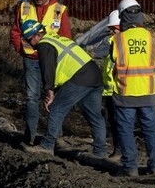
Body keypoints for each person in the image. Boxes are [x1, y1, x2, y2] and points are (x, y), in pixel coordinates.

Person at [20, 20, 106, 156]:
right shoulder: (56, 38)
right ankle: (100, 152)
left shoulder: (44, 45)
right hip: (94, 75)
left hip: (80, 77)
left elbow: (48, 71)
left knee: (56, 109)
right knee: (95, 116)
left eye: (28, 39)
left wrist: (50, 94)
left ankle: (47, 146)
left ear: (36, 35)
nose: (29, 43)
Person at [9, 0, 71, 146]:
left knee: (53, 99)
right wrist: (20, 48)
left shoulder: (60, 10)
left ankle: (56, 137)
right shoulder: (24, 7)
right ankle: (29, 136)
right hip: (31, 59)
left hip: (52, 62)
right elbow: (15, 31)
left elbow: (66, 37)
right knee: (31, 98)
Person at [109, 0, 155, 176]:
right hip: (147, 93)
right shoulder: (154, 38)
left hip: (125, 94)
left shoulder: (118, 40)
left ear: (123, 17)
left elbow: (112, 59)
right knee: (150, 129)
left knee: (125, 130)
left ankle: (130, 168)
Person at [101, 10, 122, 159]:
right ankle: (118, 149)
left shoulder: (122, 45)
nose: (112, 31)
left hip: (119, 91)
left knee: (120, 123)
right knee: (113, 122)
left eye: (114, 28)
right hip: (110, 90)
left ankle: (121, 151)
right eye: (111, 29)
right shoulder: (112, 43)